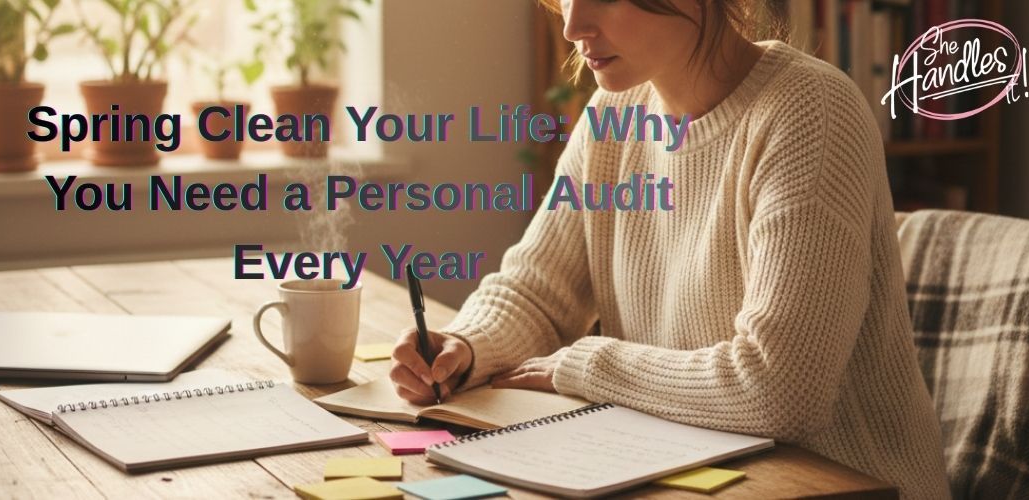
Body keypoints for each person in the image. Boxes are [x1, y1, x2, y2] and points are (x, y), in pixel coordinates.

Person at [389, 1, 951, 498]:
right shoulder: (613, 118)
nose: (573, 24)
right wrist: (464, 346)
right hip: (687, 474)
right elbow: (537, 292)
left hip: (844, 483)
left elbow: (781, 388)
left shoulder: (809, 112)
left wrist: (586, 363)